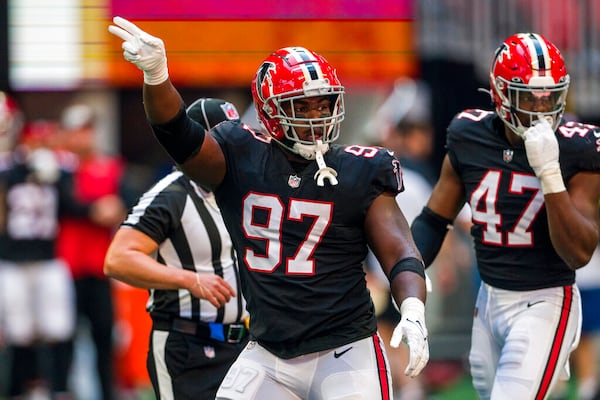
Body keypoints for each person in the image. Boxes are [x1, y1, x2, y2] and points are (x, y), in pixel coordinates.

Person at [108, 16, 429, 400]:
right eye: (302, 106)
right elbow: (178, 135)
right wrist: (158, 76)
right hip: (268, 351)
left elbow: (400, 250)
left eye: (323, 104)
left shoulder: (361, 168)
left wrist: (411, 306)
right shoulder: (241, 156)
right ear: (270, 111)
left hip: (345, 349)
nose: (315, 117)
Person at [409, 32, 600, 400]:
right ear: (499, 93)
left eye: (550, 97)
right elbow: (434, 220)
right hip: (489, 300)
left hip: (546, 299)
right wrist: (402, 281)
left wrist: (550, 174)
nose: (541, 109)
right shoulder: (468, 134)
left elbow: (578, 253)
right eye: (529, 96)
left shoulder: (578, 148)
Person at [104, 97, 249, 400]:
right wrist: (189, 279)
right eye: (226, 138)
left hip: (242, 345)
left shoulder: (239, 190)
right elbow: (118, 259)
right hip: (187, 344)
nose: (236, 148)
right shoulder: (172, 194)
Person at [0, 112, 121, 399]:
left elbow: (75, 202)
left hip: (50, 260)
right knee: (19, 332)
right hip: (14, 261)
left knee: (57, 328)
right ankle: (20, 388)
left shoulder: (62, 169)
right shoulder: (8, 169)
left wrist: (96, 208)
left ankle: (57, 388)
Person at [56, 102, 127, 400]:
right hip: (66, 264)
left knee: (103, 336)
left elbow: (127, 203)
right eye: (77, 131)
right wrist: (93, 209)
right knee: (62, 336)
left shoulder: (110, 166)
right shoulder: (59, 168)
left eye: (87, 131)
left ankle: (106, 393)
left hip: (100, 265)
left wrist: (114, 208)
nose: (83, 138)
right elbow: (64, 204)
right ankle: (61, 391)